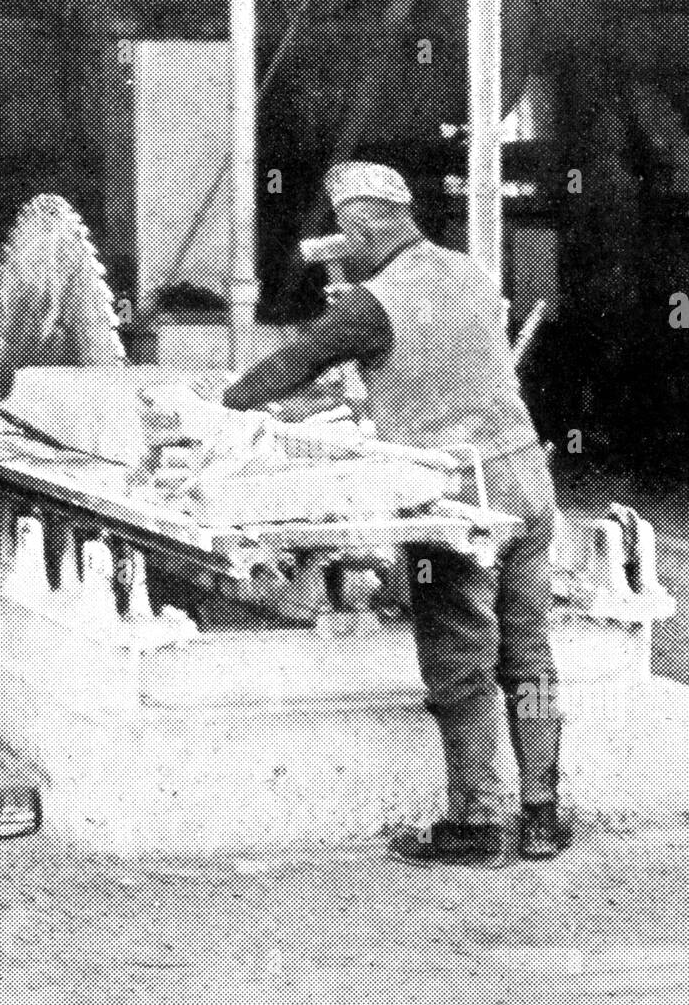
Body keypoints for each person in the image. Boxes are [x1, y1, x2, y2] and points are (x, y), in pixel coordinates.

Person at [221, 161, 568, 863]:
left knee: (461, 657)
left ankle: (477, 821)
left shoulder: (372, 303)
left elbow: (297, 362)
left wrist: (218, 406)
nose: (341, 247)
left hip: (458, 496)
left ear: (356, 225)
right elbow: (448, 363)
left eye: (343, 234)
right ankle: (540, 812)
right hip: (527, 477)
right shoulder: (470, 272)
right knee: (529, 654)